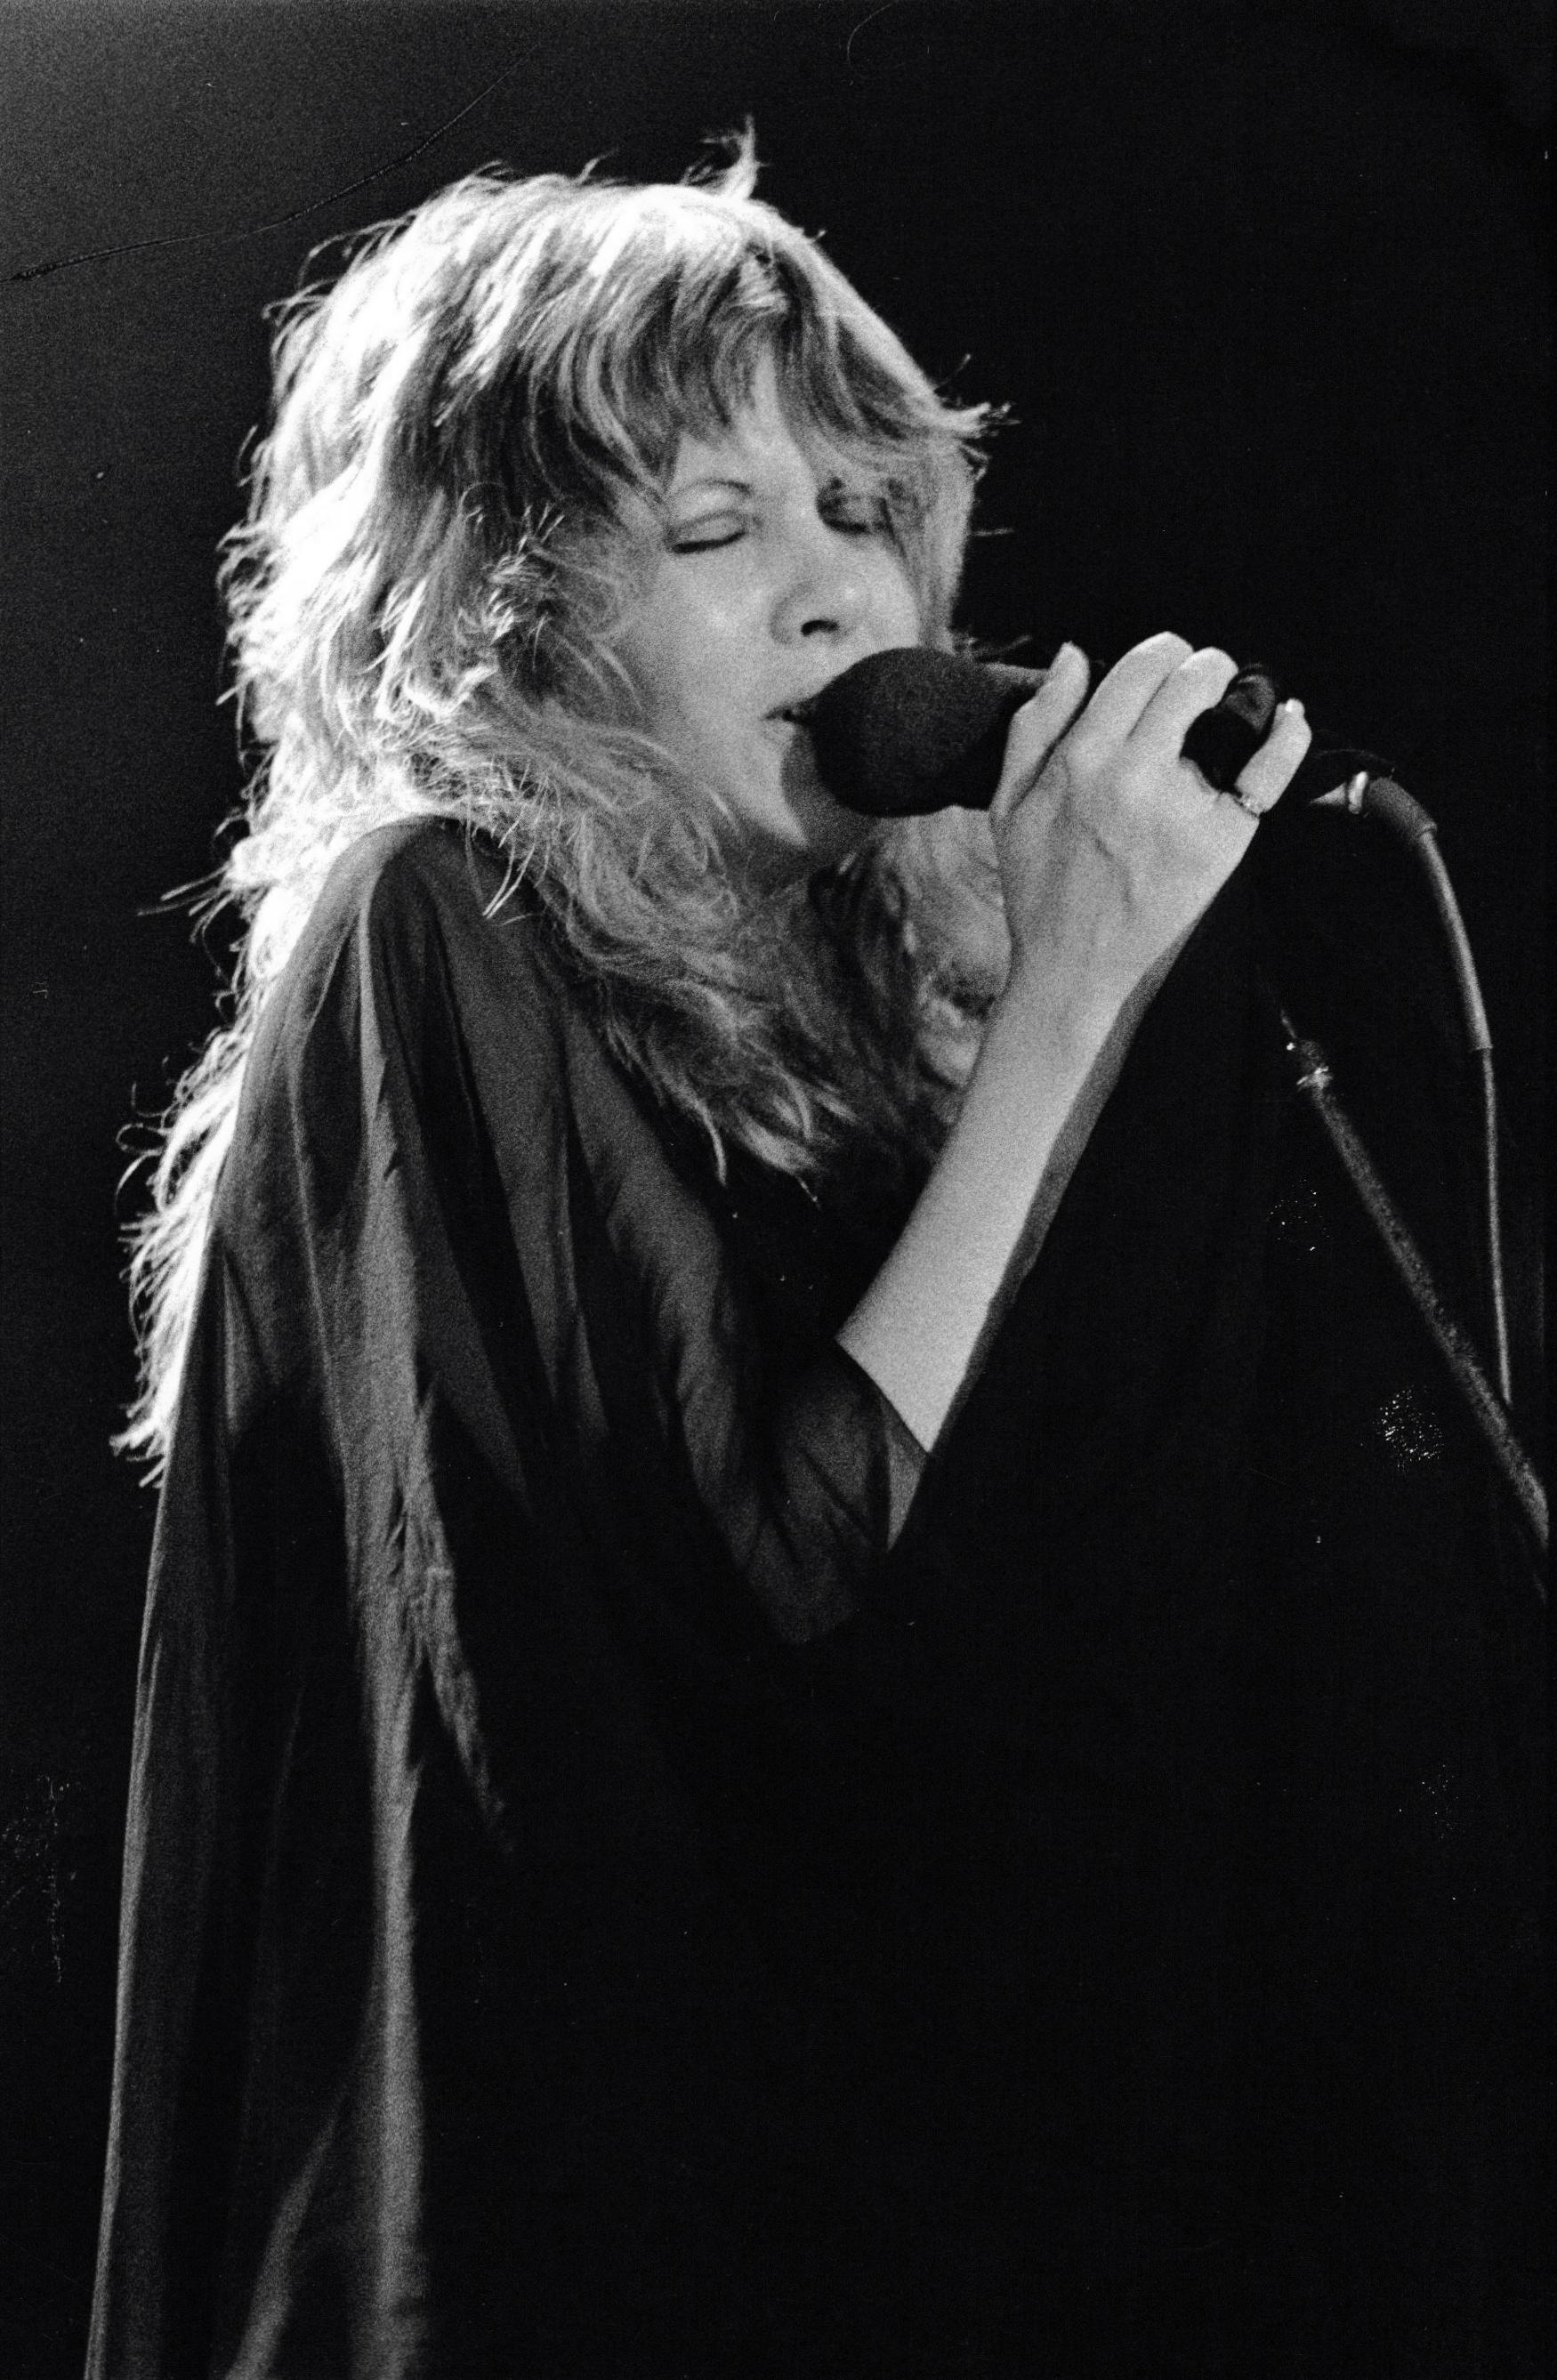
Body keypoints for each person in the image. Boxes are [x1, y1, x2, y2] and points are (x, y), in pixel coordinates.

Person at [89, 146, 1545, 2379]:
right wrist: (1069, 1002)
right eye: (710, 530)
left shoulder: (933, 1019)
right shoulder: (429, 936)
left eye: (863, 512)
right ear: (506, 611)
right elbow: (772, 1610)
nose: (830, 593)